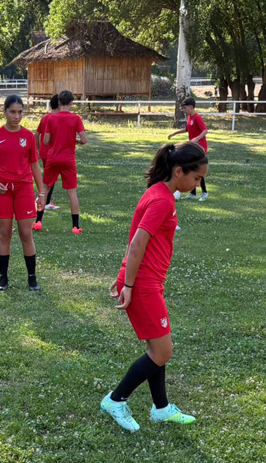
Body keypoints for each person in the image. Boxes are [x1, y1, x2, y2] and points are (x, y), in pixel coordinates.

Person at [100, 143, 208, 432]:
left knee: (156, 348)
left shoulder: (160, 193)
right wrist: (128, 284)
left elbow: (137, 240)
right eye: (196, 178)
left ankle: (161, 408)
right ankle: (115, 400)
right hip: (144, 285)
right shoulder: (161, 200)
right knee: (162, 352)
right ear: (179, 171)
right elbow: (138, 241)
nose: (197, 184)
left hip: (147, 281)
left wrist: (125, 274)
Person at [0, 95, 46, 291]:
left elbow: (34, 166)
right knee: (4, 234)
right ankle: (3, 279)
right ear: (4, 112)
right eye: (12, 112)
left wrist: (41, 193)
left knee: (26, 233)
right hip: (2, 191)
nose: (16, 116)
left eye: (19, 112)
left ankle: (32, 279)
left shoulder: (28, 136)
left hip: (23, 189)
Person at [38, 90, 87, 234]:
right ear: (71, 103)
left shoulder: (51, 118)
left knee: (44, 189)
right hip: (68, 160)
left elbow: (45, 141)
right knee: (72, 193)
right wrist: (75, 140)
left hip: (53, 158)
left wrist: (56, 139)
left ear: (59, 102)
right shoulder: (76, 119)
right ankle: (75, 226)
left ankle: (38, 221)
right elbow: (84, 140)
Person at [168, 96, 209, 201]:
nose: (184, 110)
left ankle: (204, 193)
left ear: (191, 107)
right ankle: (193, 193)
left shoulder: (197, 117)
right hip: (193, 148)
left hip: (200, 148)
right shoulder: (190, 118)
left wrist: (197, 139)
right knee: (191, 169)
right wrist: (174, 133)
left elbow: (205, 130)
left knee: (198, 169)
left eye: (185, 108)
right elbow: (187, 129)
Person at [33, 94, 61, 226]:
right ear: (60, 104)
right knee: (48, 181)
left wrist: (38, 149)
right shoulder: (57, 118)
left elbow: (36, 134)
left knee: (50, 178)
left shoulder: (45, 118)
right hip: (53, 154)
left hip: (45, 153)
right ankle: (41, 202)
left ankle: (47, 201)